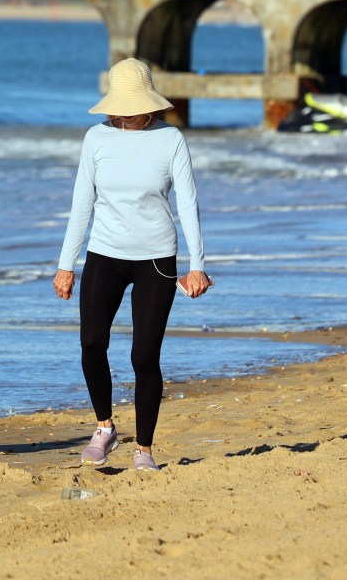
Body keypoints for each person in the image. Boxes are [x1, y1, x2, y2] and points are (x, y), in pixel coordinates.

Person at [53, 58, 210, 472]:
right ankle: (105, 428)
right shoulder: (96, 139)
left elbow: (188, 204)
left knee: (144, 356)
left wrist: (197, 265)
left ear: (149, 104)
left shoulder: (171, 139)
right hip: (105, 253)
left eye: (133, 106)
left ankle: (144, 449)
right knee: (91, 342)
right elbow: (81, 204)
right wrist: (66, 264)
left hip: (155, 259)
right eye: (119, 106)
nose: (125, 114)